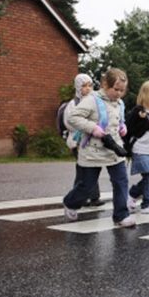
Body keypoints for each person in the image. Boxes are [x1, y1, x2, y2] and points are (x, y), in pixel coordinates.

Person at [63, 68, 134, 227]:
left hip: (114, 148)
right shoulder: (92, 99)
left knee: (121, 181)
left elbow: (117, 120)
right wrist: (92, 127)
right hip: (92, 150)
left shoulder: (119, 103)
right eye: (115, 89)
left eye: (122, 90)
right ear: (104, 85)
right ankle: (70, 203)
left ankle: (121, 215)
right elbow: (73, 118)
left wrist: (123, 127)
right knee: (87, 186)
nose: (118, 94)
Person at [63, 73, 104, 207]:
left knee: (93, 168)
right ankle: (79, 197)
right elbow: (69, 122)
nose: (87, 89)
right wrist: (85, 125)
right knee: (82, 170)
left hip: (92, 141)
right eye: (84, 86)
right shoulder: (73, 104)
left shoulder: (95, 101)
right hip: (78, 142)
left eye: (90, 85)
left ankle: (94, 196)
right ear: (78, 87)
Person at [125, 81, 149, 214]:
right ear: (145, 95)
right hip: (140, 149)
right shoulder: (138, 111)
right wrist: (142, 120)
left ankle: (133, 194)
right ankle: (148, 204)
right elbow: (129, 129)